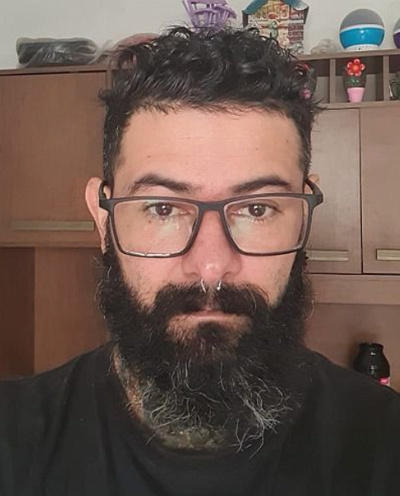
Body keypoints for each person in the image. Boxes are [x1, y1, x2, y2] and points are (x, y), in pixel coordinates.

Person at [1, 27, 400, 496]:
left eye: (257, 209)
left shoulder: (382, 445)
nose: (211, 267)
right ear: (103, 219)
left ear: (304, 211)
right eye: (162, 208)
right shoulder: (14, 442)